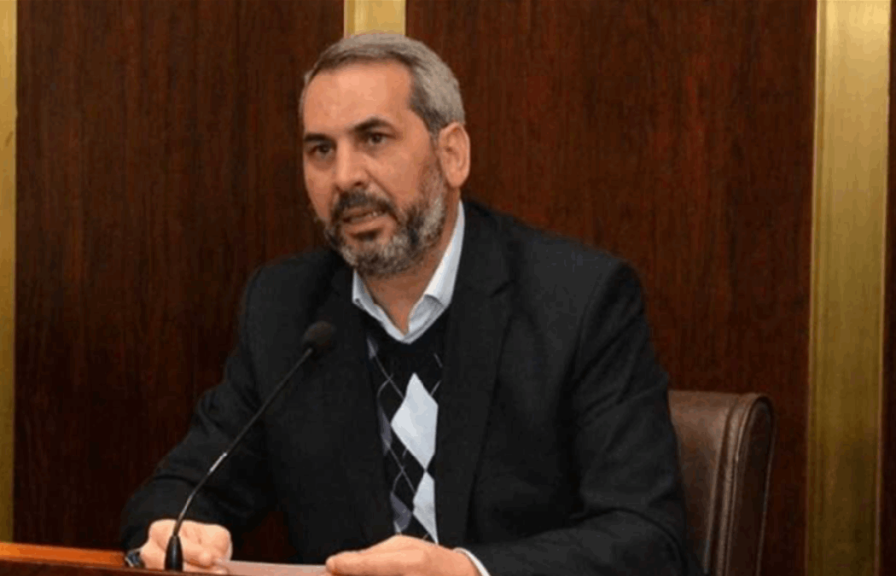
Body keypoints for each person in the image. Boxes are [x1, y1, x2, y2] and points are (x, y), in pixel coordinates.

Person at [121, 33, 700, 576]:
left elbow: (647, 536)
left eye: (374, 139)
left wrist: (467, 570)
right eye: (321, 149)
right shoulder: (284, 310)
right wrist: (176, 530)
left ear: (453, 154)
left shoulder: (578, 301)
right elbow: (181, 490)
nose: (345, 177)